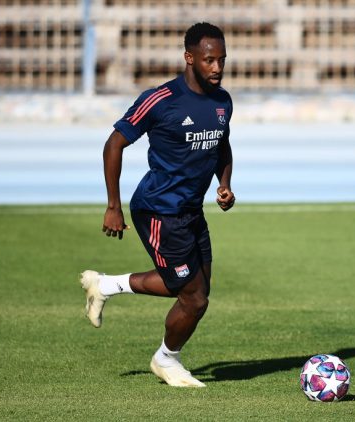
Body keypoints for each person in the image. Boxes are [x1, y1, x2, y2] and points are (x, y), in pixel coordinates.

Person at [79, 22, 234, 388]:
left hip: (191, 210)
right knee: (194, 298)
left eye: (222, 60)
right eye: (209, 60)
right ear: (189, 58)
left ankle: (105, 286)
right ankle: (166, 360)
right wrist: (113, 205)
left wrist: (224, 184)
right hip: (158, 211)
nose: (217, 68)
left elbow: (222, 144)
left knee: (194, 289)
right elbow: (114, 144)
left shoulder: (222, 101)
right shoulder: (161, 99)